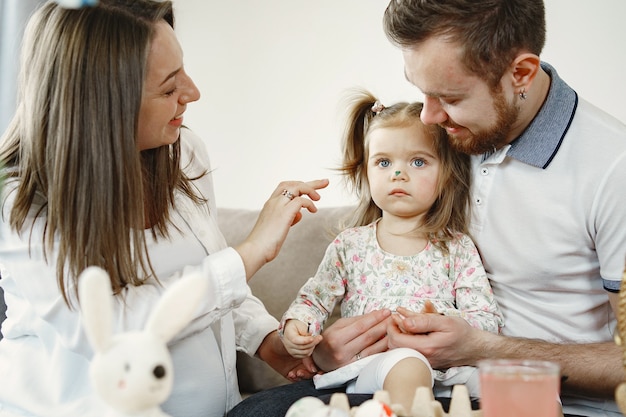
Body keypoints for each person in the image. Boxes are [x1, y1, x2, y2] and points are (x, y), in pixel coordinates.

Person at [229, 1, 626, 417]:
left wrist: (481, 347)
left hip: (538, 396)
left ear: (521, 74)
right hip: (392, 374)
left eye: (449, 97)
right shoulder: (443, 136)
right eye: (421, 91)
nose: (428, 115)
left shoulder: (611, 169)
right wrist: (326, 352)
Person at [0, 1, 328, 416]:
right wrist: (252, 252)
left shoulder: (182, 151)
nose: (192, 93)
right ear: (103, 107)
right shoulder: (20, 200)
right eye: (169, 88)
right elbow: (114, 331)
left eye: (183, 72)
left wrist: (268, 340)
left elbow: (215, 283)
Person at [278, 90, 503, 415]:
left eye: (418, 161)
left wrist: (442, 321)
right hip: (379, 365)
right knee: (407, 363)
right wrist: (296, 329)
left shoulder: (456, 247)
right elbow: (313, 300)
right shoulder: (350, 245)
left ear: (445, 174)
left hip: (449, 367)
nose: (398, 174)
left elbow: (487, 320)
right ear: (366, 173)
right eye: (384, 162)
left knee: (525, 385)